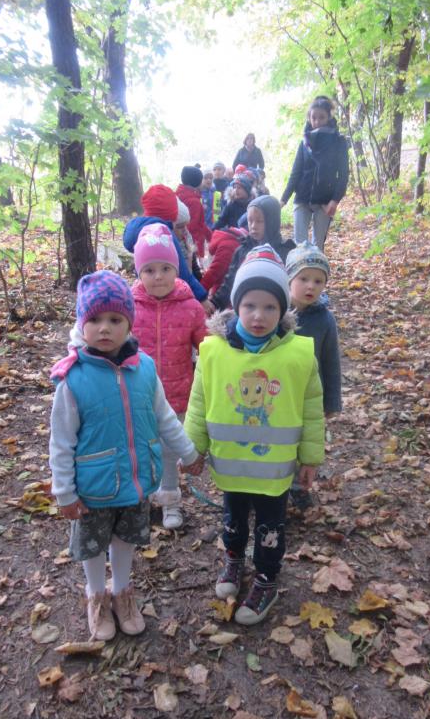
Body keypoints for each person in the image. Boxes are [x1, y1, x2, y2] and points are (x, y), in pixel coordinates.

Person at [49, 271, 203, 640]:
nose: (105, 328)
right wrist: (64, 492)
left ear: (129, 323)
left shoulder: (144, 369)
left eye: (115, 319)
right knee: (93, 544)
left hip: (135, 480)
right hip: (93, 486)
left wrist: (188, 453)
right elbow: (61, 441)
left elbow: (164, 417)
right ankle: (96, 595)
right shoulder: (73, 379)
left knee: (124, 539)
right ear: (81, 323)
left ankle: (121, 591)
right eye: (95, 319)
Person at [184, 245, 324, 625]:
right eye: (250, 305)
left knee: (270, 526)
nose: (259, 316)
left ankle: (266, 577)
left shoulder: (298, 355)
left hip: (275, 472)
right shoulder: (213, 351)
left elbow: (312, 408)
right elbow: (199, 401)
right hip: (232, 466)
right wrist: (193, 449)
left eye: (269, 307)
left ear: (283, 310)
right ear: (236, 305)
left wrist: (310, 458)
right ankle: (233, 560)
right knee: (233, 518)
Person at [132, 224, 207, 530]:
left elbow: (206, 347)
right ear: (139, 272)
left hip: (177, 394)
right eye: (149, 270)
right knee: (139, 450)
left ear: (176, 269)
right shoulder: (128, 307)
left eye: (165, 268)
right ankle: (140, 501)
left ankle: (171, 501)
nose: (158, 276)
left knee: (168, 450)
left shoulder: (190, 307)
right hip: (137, 395)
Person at [285, 242, 342, 509]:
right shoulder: (275, 312)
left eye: (318, 281)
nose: (311, 286)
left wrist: (331, 402)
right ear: (289, 279)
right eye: (303, 279)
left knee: (305, 440)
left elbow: (331, 363)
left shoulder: (324, 320)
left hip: (310, 394)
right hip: (280, 389)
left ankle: (298, 486)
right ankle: (269, 484)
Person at [122, 184, 213, 314]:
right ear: (170, 215)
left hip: (144, 295)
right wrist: (202, 298)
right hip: (168, 297)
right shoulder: (164, 234)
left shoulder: (139, 230)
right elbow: (183, 271)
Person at [280, 96, 349, 250]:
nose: (317, 121)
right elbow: (295, 173)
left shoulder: (339, 142)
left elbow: (343, 175)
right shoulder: (304, 142)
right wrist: (283, 199)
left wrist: (335, 201)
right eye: (314, 117)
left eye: (321, 117)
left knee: (318, 247)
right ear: (309, 118)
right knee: (300, 247)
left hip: (324, 202)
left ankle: (318, 267)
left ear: (329, 117)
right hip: (302, 199)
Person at [211, 195, 295, 312]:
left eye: (259, 221)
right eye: (250, 221)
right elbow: (230, 282)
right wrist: (214, 304)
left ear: (272, 222)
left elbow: (293, 289)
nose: (253, 226)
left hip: (275, 311)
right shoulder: (242, 250)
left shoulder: (286, 252)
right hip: (247, 311)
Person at [201, 225, 248, 297]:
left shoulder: (226, 244)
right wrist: (199, 294)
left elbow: (214, 271)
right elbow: (215, 271)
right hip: (226, 290)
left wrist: (199, 292)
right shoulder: (229, 245)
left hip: (226, 289)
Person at [176, 166, 212, 259]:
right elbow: (194, 226)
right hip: (193, 244)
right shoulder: (194, 202)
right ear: (196, 182)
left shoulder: (178, 195)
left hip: (181, 241)